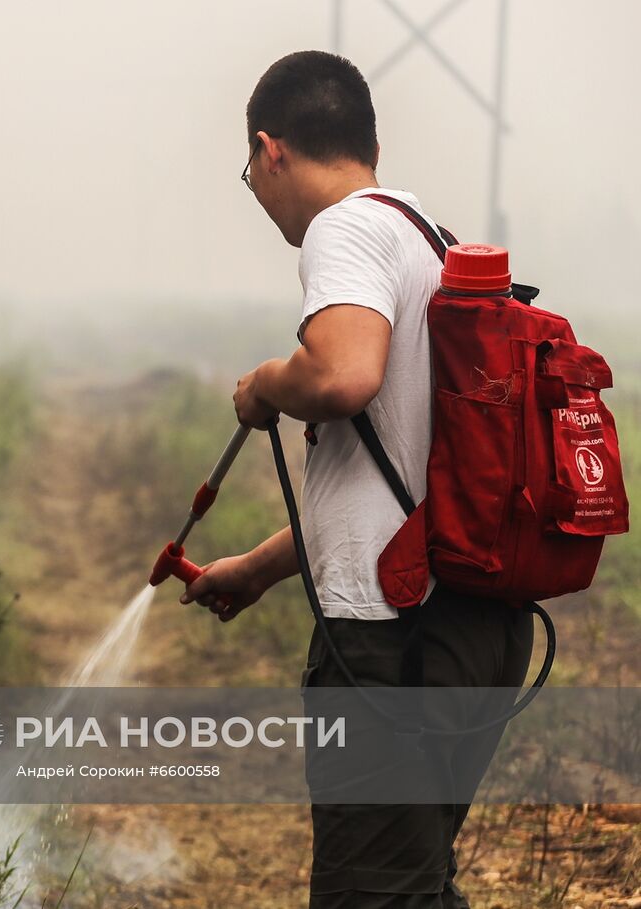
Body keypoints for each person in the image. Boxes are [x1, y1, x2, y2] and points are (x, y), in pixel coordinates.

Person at [180, 50, 533, 909]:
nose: (258, 196)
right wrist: (260, 569)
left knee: (374, 898)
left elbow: (342, 378)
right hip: (472, 632)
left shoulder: (344, 229)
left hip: (395, 646)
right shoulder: (425, 234)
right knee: (416, 886)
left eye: (250, 174)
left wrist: (266, 382)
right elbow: (400, 481)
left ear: (271, 151)